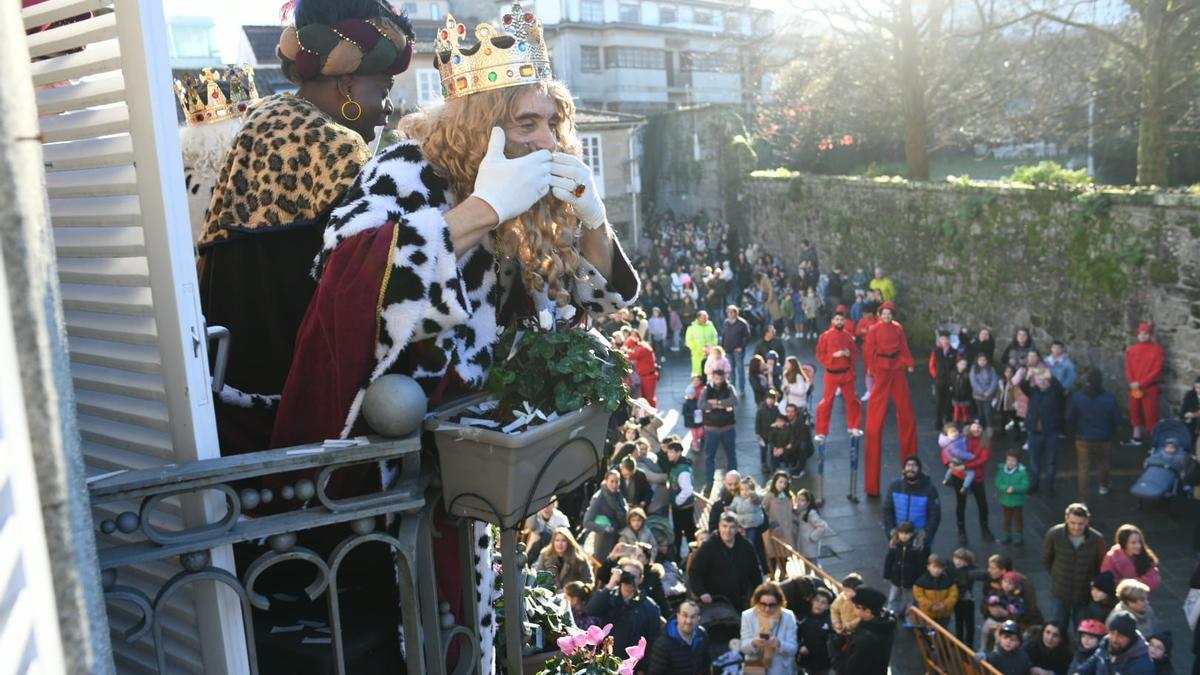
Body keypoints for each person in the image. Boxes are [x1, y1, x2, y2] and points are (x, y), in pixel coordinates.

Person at [269, 8, 640, 656]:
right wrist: (479, 212)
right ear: (480, 124)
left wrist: (591, 218)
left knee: (470, 634)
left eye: (554, 121)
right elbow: (345, 290)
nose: (549, 139)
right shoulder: (402, 173)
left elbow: (591, 294)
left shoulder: (529, 186)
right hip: (380, 498)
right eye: (528, 122)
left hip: (472, 476)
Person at [199, 0, 413, 456]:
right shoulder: (338, 147)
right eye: (385, 86)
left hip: (228, 380)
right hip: (293, 390)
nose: (389, 105)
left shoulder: (263, 119)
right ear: (349, 82)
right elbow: (375, 283)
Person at [862, 301, 919, 496]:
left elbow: (903, 346)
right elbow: (869, 350)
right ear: (879, 314)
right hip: (882, 367)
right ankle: (871, 484)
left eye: (889, 314)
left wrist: (909, 362)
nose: (887, 316)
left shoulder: (898, 328)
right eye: (884, 314)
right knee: (876, 413)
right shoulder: (874, 329)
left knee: (905, 410)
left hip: (896, 367)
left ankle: (911, 466)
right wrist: (870, 368)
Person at [1043, 503, 1106, 632]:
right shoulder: (1054, 534)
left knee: (1083, 631)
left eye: (1081, 524)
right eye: (1073, 523)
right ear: (1066, 519)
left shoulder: (1097, 539)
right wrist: (1057, 576)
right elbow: (1047, 559)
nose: (1076, 527)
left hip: (1084, 594)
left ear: (1087, 521)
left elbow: (1101, 566)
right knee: (1058, 630)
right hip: (1060, 592)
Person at [688, 512, 763, 612]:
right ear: (719, 526)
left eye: (731, 527)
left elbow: (756, 573)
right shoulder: (708, 547)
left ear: (737, 529)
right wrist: (702, 592)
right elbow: (695, 572)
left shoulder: (746, 546)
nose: (727, 531)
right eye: (724, 526)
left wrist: (758, 594)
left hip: (742, 600)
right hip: (715, 602)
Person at [587, 558, 662, 655]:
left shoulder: (649, 607)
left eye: (633, 577)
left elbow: (653, 641)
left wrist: (643, 669)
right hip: (605, 659)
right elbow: (591, 610)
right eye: (627, 575)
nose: (629, 580)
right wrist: (610, 585)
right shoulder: (609, 597)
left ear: (641, 579)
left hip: (631, 663)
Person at [1068, 369, 1121, 501]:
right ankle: (1103, 486)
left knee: (1083, 468)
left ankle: (1083, 498)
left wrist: (1073, 432)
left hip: (1083, 437)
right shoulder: (1109, 398)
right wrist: (1112, 432)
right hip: (1103, 437)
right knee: (1103, 463)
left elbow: (1070, 417)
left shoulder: (1078, 397)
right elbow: (1117, 419)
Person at [814, 309, 863, 441]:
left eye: (842, 320)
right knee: (827, 402)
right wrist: (832, 356)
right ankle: (821, 431)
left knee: (852, 400)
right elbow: (819, 355)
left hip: (846, 373)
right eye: (837, 319)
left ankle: (853, 426)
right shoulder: (825, 336)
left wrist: (849, 355)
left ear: (845, 321)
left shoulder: (848, 336)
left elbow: (855, 355)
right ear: (832, 321)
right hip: (831, 374)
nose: (839, 322)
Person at [946, 420, 996, 545]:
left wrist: (966, 466)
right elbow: (947, 449)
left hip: (976, 476)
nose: (976, 429)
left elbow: (983, 460)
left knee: (982, 503)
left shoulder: (985, 442)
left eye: (979, 427)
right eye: (974, 426)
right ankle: (961, 530)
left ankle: (984, 528)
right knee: (961, 503)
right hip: (960, 476)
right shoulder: (962, 438)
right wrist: (948, 463)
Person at [1018, 366, 1065, 496]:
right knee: (1034, 462)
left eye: (1045, 380)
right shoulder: (1033, 392)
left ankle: (1050, 486)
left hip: (1050, 433)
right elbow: (1023, 385)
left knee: (1051, 462)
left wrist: (1050, 376)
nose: (1042, 382)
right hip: (1035, 432)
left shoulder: (1055, 393)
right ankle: (1035, 484)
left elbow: (1060, 388)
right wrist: (1028, 375)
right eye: (1040, 379)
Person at [830, 586, 896, 675]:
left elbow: (849, 671)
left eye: (856, 606)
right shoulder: (885, 622)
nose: (853, 609)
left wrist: (834, 652)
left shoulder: (865, 639)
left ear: (868, 612)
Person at [739, 582, 798, 675]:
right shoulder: (747, 616)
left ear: (779, 603)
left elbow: (793, 649)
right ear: (757, 602)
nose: (767, 609)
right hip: (754, 668)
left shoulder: (788, 616)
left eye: (771, 605)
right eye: (763, 604)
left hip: (780, 670)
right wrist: (754, 643)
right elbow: (743, 647)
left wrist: (779, 644)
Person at [883, 456, 942, 549]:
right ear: (903, 469)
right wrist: (891, 533)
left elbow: (935, 516)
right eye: (908, 465)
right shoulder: (895, 486)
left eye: (914, 466)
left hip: (920, 540)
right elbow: (887, 511)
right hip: (899, 537)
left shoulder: (929, 489)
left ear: (919, 469)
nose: (910, 468)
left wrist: (925, 537)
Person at [1075, 611, 1155, 674]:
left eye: (1120, 635)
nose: (1114, 639)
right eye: (1112, 633)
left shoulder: (1142, 665)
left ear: (1130, 637)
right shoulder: (1106, 644)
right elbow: (1093, 661)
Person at [1125, 322, 1165, 446]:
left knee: (1151, 413)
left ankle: (1154, 441)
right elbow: (1128, 367)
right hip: (1135, 386)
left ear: (1150, 335)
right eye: (1141, 333)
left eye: (1145, 333)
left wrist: (1140, 383)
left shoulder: (1157, 350)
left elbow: (1156, 370)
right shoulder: (1132, 349)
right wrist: (1132, 382)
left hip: (1150, 387)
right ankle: (1136, 436)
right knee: (1134, 410)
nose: (1143, 336)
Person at [699, 369, 739, 494]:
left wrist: (716, 403)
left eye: (721, 378)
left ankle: (733, 482)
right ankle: (709, 483)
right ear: (712, 377)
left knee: (731, 456)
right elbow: (701, 404)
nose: (719, 381)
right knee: (709, 457)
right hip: (712, 429)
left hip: (728, 427)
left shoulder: (729, 388)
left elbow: (734, 401)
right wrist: (722, 405)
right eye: (716, 378)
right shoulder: (706, 389)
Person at [646, 600, 710, 675]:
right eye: (685, 615)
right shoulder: (662, 645)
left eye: (693, 617)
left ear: (698, 619)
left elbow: (705, 667)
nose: (688, 621)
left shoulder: (702, 636)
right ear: (678, 616)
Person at [1101, 525, 1161, 597]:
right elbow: (1107, 581)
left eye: (1139, 542)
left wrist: (1127, 582)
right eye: (1133, 542)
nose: (1138, 545)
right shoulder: (1111, 558)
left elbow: (1154, 581)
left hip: (1141, 600)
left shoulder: (1146, 555)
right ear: (1124, 543)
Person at [585, 470, 629, 561]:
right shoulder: (598, 499)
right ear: (606, 481)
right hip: (603, 540)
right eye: (612, 481)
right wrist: (604, 528)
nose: (614, 484)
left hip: (618, 535)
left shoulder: (618, 495)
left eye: (617, 482)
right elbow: (587, 522)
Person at [661, 439, 696, 557]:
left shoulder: (683, 470)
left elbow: (687, 490)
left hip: (684, 508)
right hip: (679, 507)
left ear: (679, 452)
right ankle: (678, 556)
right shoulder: (676, 466)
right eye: (668, 452)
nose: (668, 455)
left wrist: (677, 501)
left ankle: (692, 556)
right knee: (678, 532)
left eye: (671, 452)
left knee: (688, 532)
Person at [884, 521, 925, 615]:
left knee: (910, 600)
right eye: (901, 533)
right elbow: (889, 560)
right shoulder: (895, 546)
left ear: (912, 534)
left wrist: (920, 579)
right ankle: (891, 614)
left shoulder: (916, 548)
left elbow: (921, 564)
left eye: (906, 533)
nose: (903, 536)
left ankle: (909, 618)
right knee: (893, 598)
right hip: (896, 578)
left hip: (910, 579)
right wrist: (886, 574)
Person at [995, 448, 1031, 546]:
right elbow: (998, 482)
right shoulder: (1002, 470)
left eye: (1013, 460)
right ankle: (1007, 534)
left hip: (1018, 501)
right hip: (1005, 500)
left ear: (1017, 462)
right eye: (1008, 460)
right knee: (1006, 518)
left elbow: (1025, 485)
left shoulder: (1022, 472)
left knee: (1018, 518)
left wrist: (1014, 488)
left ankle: (1019, 535)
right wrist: (1004, 488)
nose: (1010, 462)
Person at [796, 587, 836, 675]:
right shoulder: (803, 618)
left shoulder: (831, 620)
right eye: (817, 600)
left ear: (828, 606)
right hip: (805, 662)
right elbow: (795, 636)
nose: (819, 604)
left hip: (824, 664)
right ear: (812, 601)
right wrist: (800, 646)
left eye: (823, 602)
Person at [913, 554, 959, 628]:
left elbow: (953, 595)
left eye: (940, 568)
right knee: (928, 632)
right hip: (928, 614)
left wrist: (944, 605)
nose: (937, 570)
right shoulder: (921, 581)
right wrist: (930, 606)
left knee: (942, 631)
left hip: (944, 614)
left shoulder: (949, 581)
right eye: (934, 567)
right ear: (928, 567)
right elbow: (919, 596)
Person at [730, 476, 767, 568]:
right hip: (741, 525)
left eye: (747, 489)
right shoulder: (737, 499)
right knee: (741, 542)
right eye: (742, 489)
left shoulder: (753, 498)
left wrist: (753, 494)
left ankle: (752, 558)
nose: (745, 492)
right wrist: (729, 509)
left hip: (752, 524)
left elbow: (758, 500)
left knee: (751, 542)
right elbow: (733, 507)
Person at [952, 548, 986, 646]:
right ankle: (959, 641)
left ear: (967, 562)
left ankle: (969, 644)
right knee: (959, 622)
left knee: (969, 623)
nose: (957, 562)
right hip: (958, 599)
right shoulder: (952, 569)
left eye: (961, 560)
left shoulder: (969, 571)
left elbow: (982, 575)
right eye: (956, 559)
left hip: (966, 600)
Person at [930, 331, 961, 428]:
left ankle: (948, 421)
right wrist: (935, 375)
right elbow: (931, 365)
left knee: (948, 401)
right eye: (942, 339)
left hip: (950, 380)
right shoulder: (936, 351)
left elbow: (958, 364)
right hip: (939, 380)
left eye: (946, 339)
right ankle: (938, 421)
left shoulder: (955, 352)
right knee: (939, 400)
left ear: (949, 340)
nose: (945, 341)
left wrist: (954, 377)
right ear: (940, 340)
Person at [793, 488, 831, 562]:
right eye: (798, 499)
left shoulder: (811, 514)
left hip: (810, 548)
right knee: (807, 567)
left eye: (802, 500)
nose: (799, 502)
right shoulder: (800, 512)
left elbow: (823, 526)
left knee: (814, 566)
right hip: (803, 547)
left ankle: (818, 574)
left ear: (808, 503)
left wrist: (812, 537)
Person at [722, 305, 752, 392]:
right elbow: (723, 336)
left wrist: (741, 347)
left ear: (736, 313)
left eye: (732, 312)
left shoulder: (742, 323)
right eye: (728, 312)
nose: (730, 314)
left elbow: (748, 337)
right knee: (730, 370)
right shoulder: (726, 323)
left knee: (740, 370)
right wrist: (722, 347)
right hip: (728, 350)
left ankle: (742, 389)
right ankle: (732, 389)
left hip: (738, 350)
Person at [625, 334, 660, 407]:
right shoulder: (641, 346)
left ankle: (652, 414)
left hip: (648, 376)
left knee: (649, 398)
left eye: (630, 348)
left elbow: (632, 356)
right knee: (645, 397)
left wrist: (624, 352)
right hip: (645, 376)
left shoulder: (642, 349)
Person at [686, 310, 719, 378]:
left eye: (706, 317)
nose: (705, 319)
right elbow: (688, 341)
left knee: (710, 374)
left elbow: (714, 337)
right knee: (698, 375)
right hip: (697, 355)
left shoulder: (711, 326)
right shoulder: (691, 327)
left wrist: (712, 347)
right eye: (703, 317)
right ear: (698, 318)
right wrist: (699, 350)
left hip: (710, 354)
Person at [971, 353, 999, 430]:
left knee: (988, 412)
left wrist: (989, 391)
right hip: (978, 395)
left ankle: (989, 427)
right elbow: (973, 382)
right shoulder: (973, 368)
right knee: (980, 413)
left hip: (988, 395)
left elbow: (994, 380)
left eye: (984, 360)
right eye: (980, 360)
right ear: (977, 361)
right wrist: (982, 392)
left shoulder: (991, 368)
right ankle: (981, 427)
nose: (982, 362)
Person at [756, 390, 782, 473]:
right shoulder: (761, 409)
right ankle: (764, 464)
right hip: (764, 433)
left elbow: (779, 419)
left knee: (773, 449)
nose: (770, 401)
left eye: (772, 399)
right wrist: (758, 433)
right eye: (769, 399)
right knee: (763, 449)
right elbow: (758, 421)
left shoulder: (776, 409)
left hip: (773, 433)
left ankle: (774, 465)